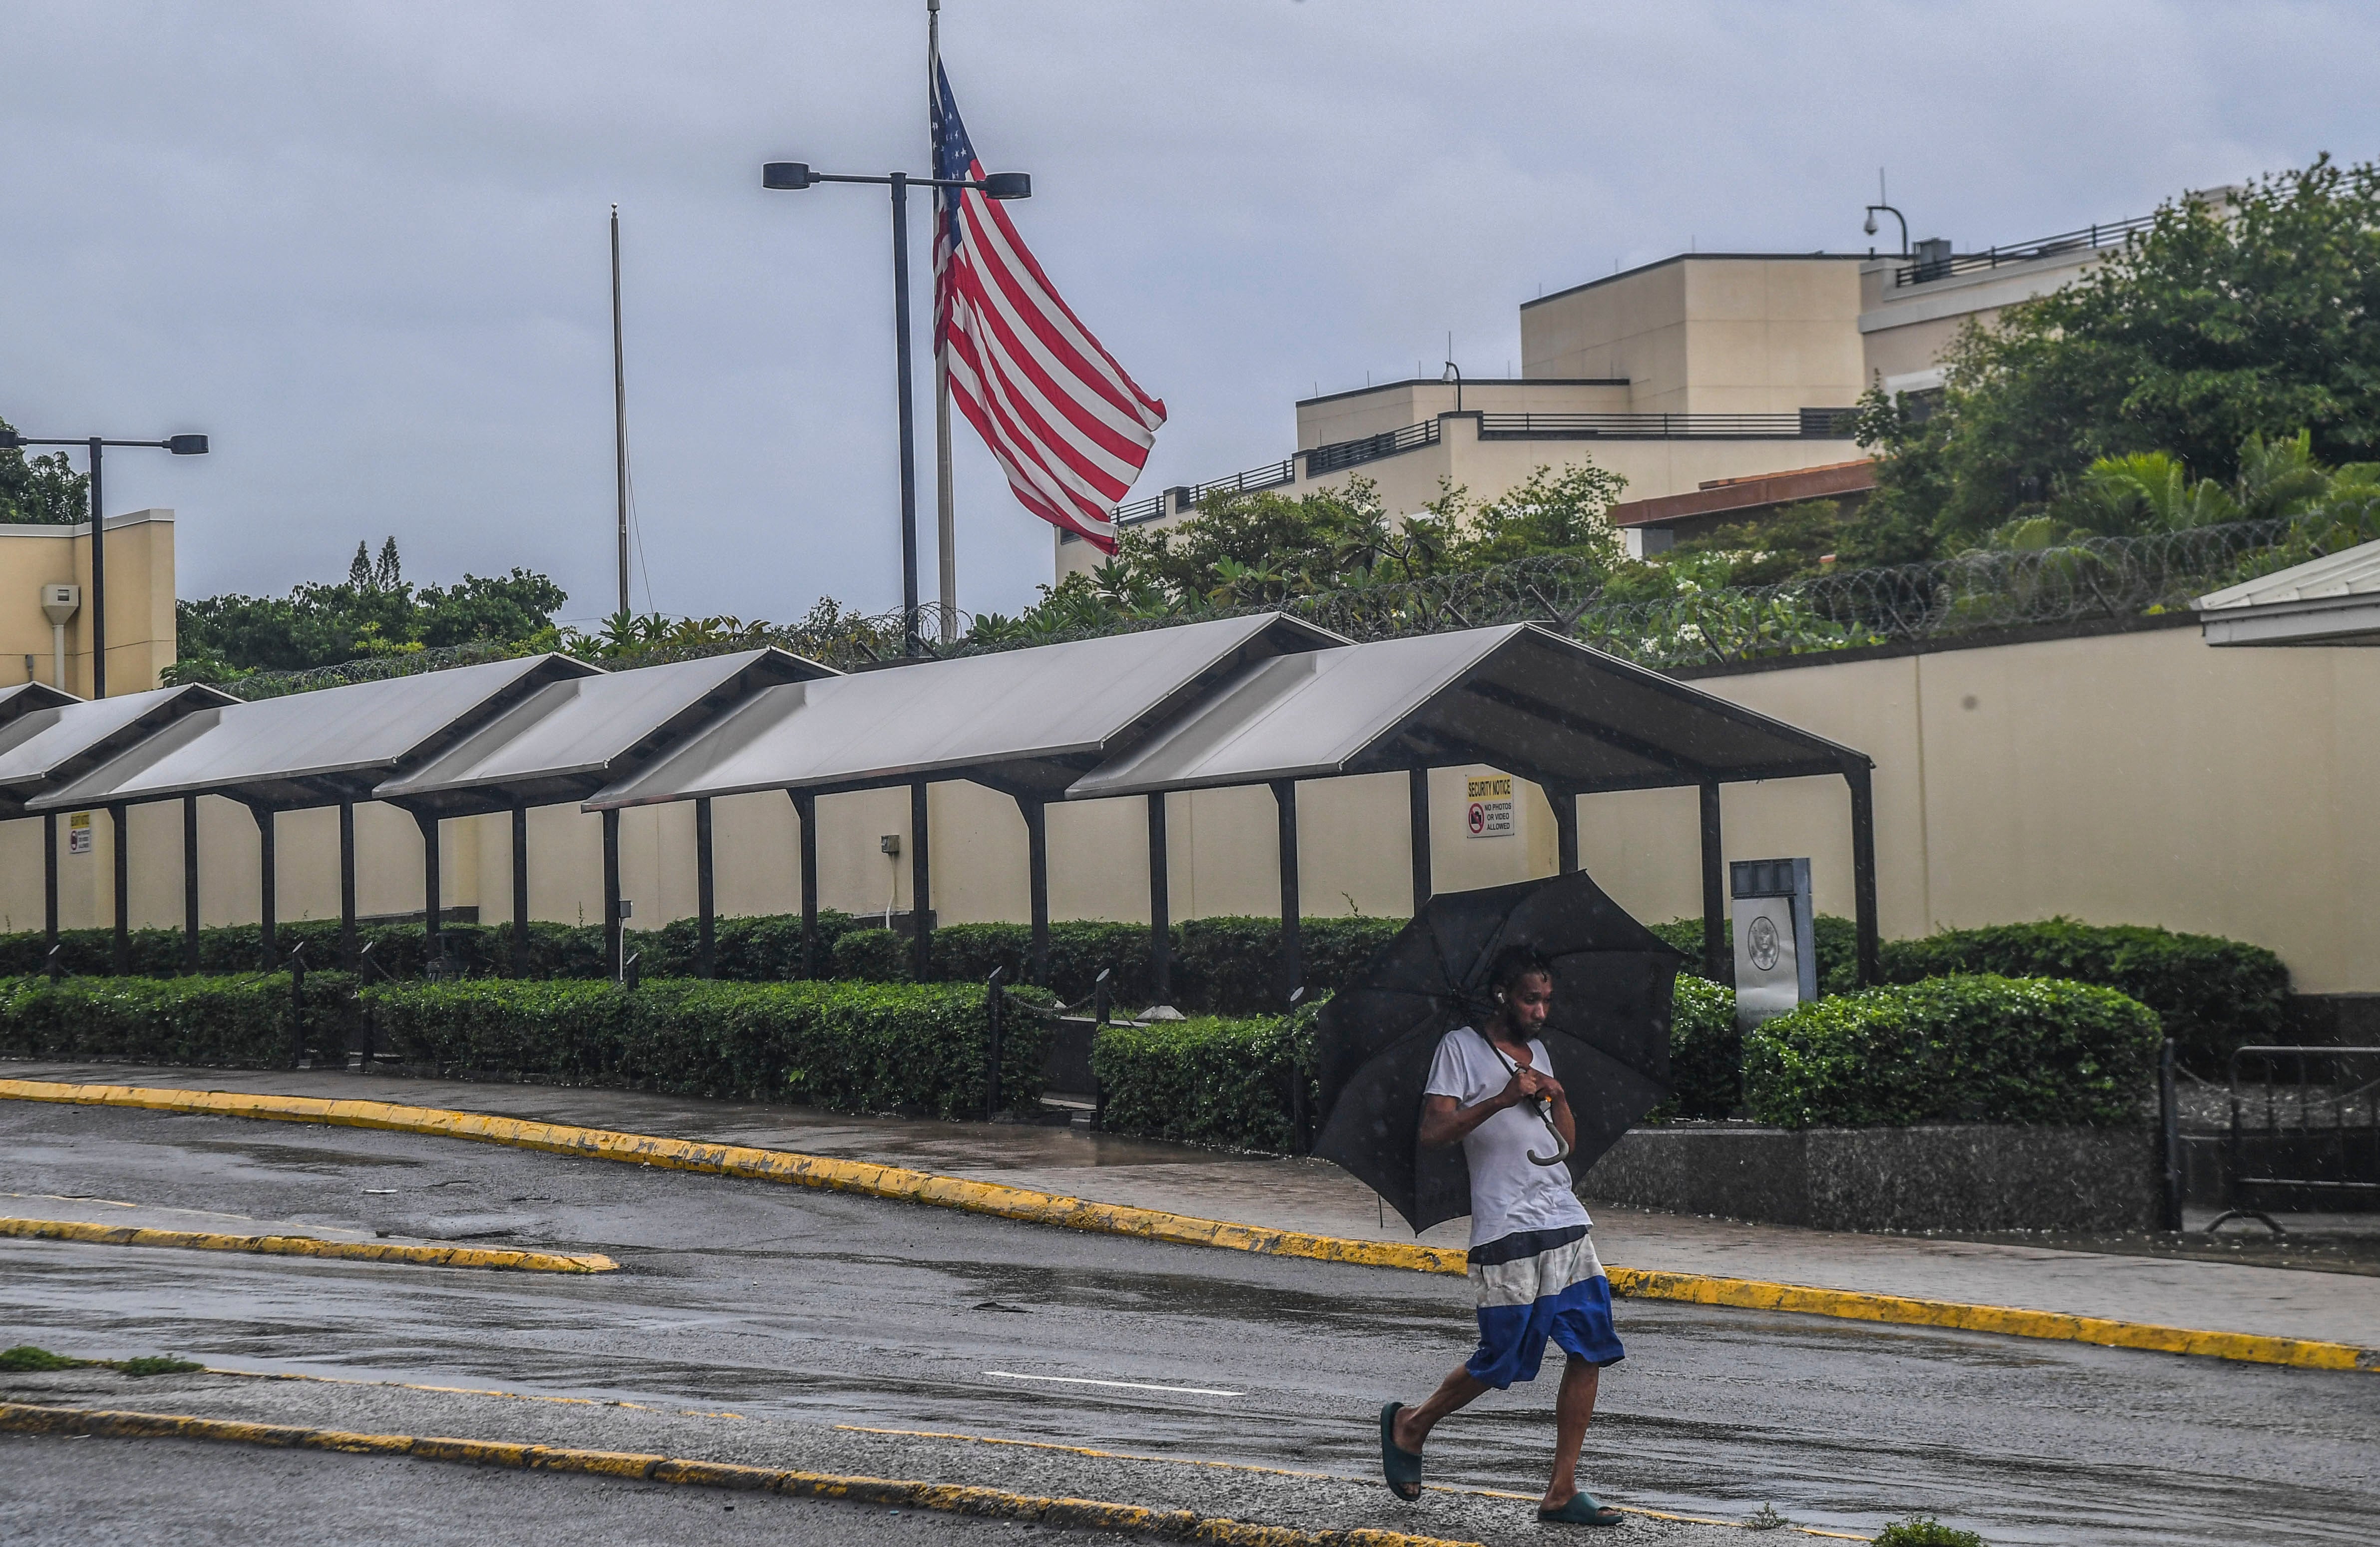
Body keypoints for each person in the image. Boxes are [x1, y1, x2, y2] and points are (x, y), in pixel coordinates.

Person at [1378, 946, 1626, 1527]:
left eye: (1546, 1000)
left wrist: (1556, 1096)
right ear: (1502, 996)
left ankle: (1561, 1490)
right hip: (1507, 1225)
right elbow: (1434, 1129)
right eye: (1530, 999)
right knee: (1503, 1359)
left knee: (1591, 1347)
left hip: (1563, 1216)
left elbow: (1566, 1142)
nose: (1541, 1011)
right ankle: (1410, 1424)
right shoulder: (1459, 1049)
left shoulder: (1537, 1052)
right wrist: (1501, 1098)